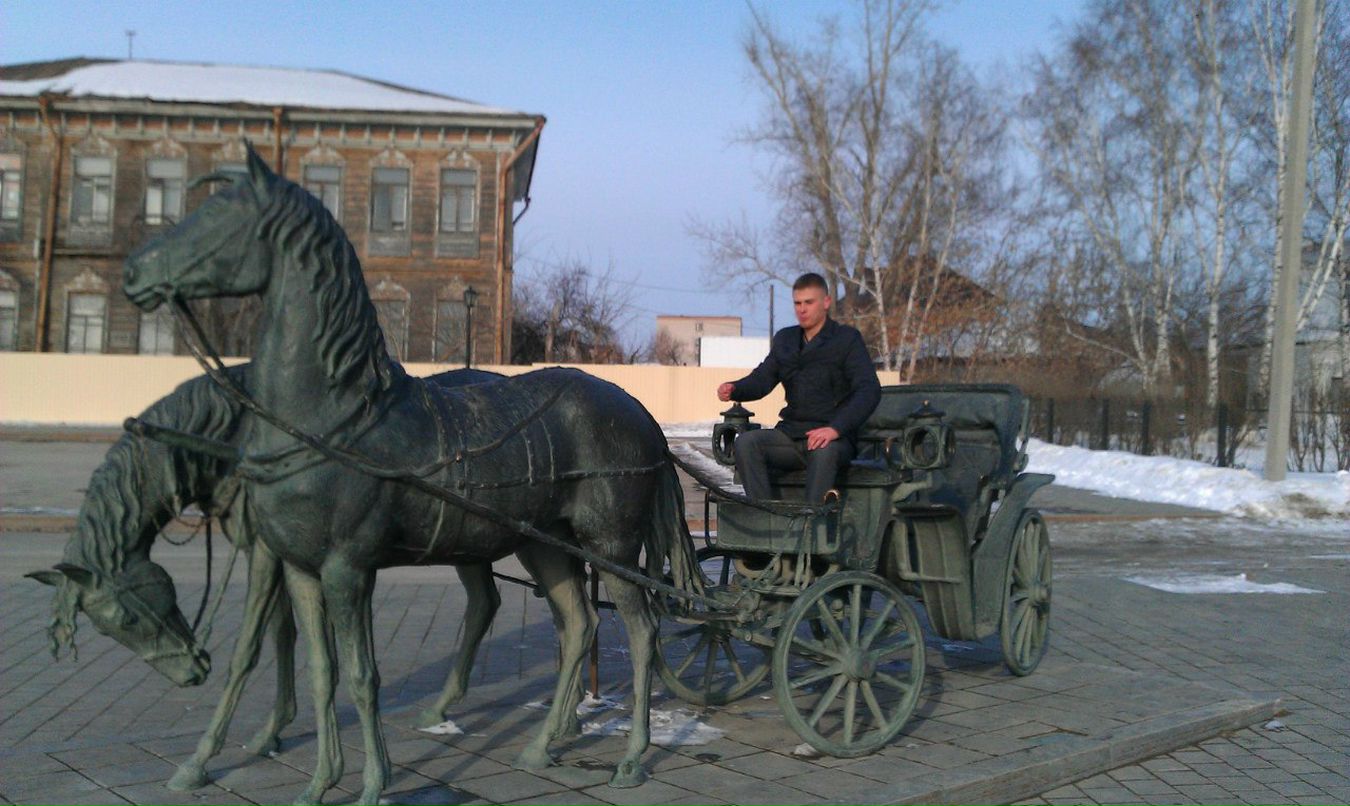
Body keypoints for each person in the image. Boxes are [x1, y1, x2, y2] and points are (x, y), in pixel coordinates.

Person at [717, 272, 881, 503]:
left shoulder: (846, 340)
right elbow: (763, 378)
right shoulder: (786, 339)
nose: (802, 309)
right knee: (746, 443)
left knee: (824, 451)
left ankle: (811, 524)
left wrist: (835, 429)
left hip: (832, 439)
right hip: (790, 435)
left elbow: (869, 390)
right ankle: (767, 516)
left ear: (826, 302)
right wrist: (735, 388)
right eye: (797, 303)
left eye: (809, 302)